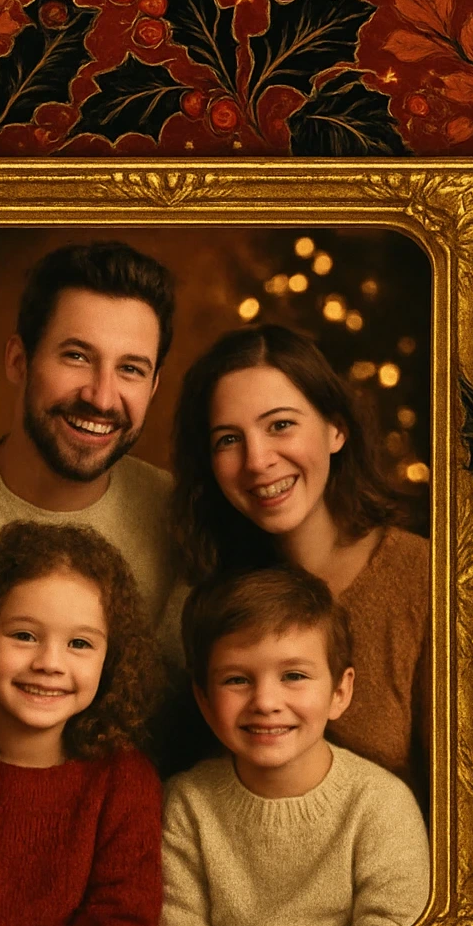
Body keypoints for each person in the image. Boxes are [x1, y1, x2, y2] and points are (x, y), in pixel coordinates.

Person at [171, 324, 430, 803]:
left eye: (281, 425)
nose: (257, 461)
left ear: (336, 428)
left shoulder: (425, 580)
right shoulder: (209, 593)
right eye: (228, 439)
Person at [0, 241, 177, 676]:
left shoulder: (180, 517)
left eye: (130, 369)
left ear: (152, 386)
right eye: (76, 356)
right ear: (19, 361)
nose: (102, 396)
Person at [0, 522, 162, 926]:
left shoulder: (125, 781)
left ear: (111, 660)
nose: (50, 663)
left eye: (79, 644)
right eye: (24, 635)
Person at [160, 567, 430, 926]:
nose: (266, 702)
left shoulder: (380, 804)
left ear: (339, 692)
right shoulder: (185, 805)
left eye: (294, 676)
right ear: (204, 701)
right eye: (236, 680)